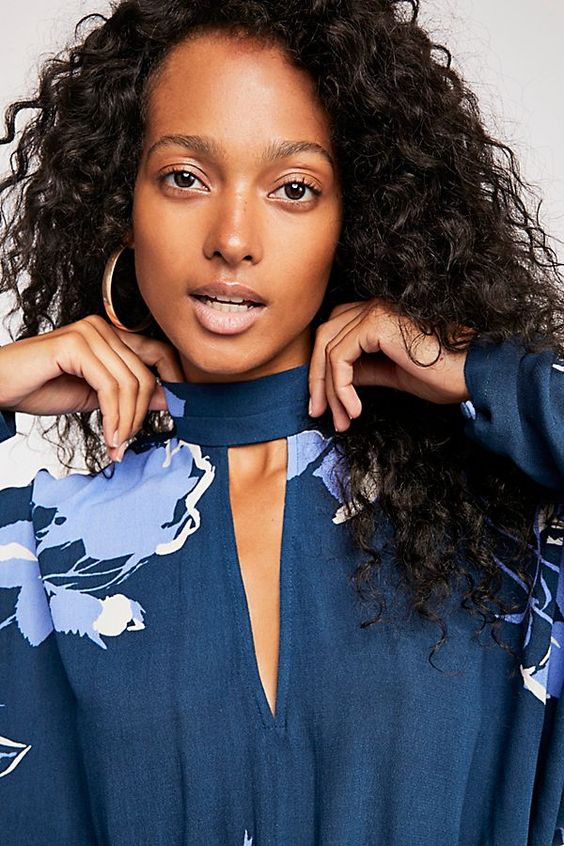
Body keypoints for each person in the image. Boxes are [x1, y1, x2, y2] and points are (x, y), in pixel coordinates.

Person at [0, 1, 562, 843]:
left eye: (294, 189)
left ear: (357, 218)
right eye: (185, 177)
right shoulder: (36, 553)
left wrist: (478, 370)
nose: (233, 238)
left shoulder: (502, 534)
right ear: (122, 202)